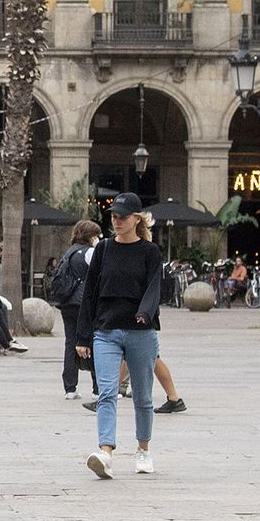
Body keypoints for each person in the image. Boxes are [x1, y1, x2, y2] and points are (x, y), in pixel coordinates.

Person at [75, 192, 162, 479]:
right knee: (107, 393)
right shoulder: (102, 250)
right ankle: (106, 453)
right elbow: (90, 293)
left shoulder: (150, 252)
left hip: (141, 332)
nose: (117, 220)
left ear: (137, 219)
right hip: (106, 330)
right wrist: (82, 337)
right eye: (113, 215)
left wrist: (145, 312)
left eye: (122, 216)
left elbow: (154, 287)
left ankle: (143, 450)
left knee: (143, 397)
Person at [57, 220, 102, 400]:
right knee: (92, 342)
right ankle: (97, 388)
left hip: (67, 303)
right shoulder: (90, 252)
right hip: (84, 303)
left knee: (71, 343)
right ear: (91, 236)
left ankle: (70, 388)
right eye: (96, 235)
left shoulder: (69, 252)